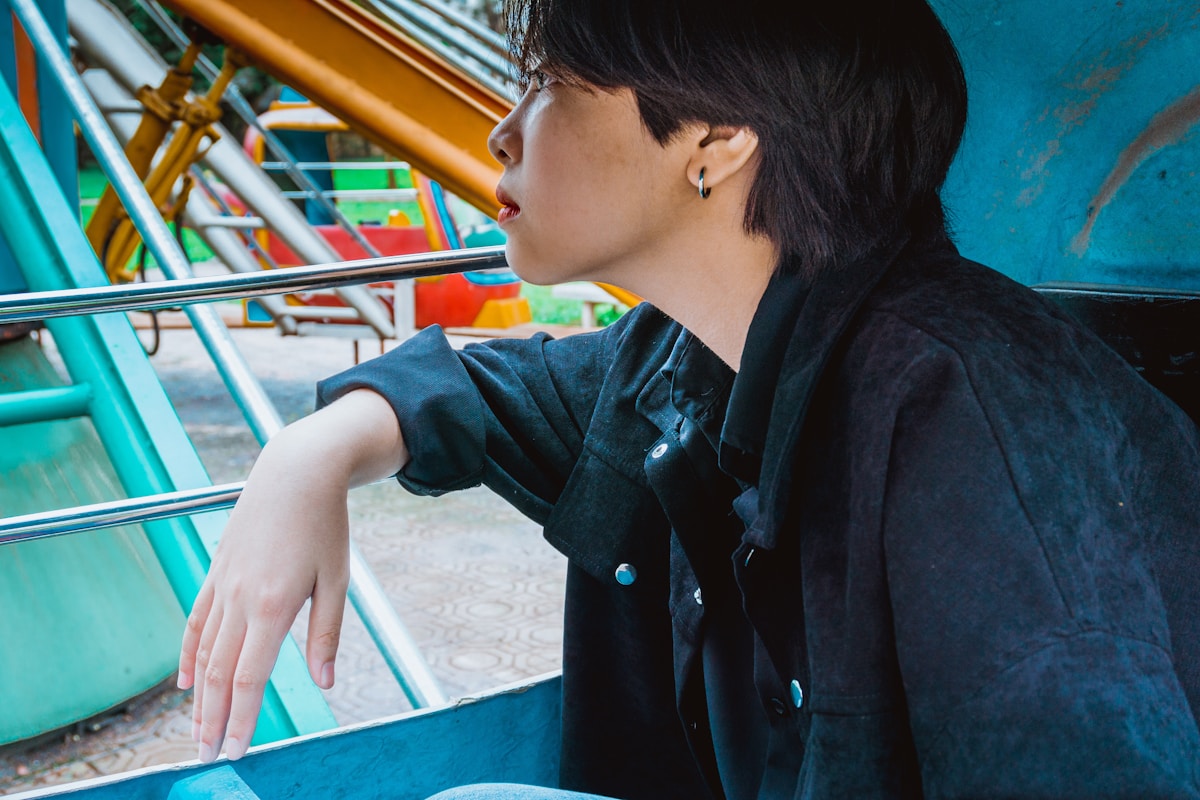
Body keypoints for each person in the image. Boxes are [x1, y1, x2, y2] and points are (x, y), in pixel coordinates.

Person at [177, 0, 1200, 797]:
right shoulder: (689, 357)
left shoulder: (964, 418)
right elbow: (495, 388)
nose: (502, 132)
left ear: (714, 141)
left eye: (555, 85)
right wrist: (305, 455)